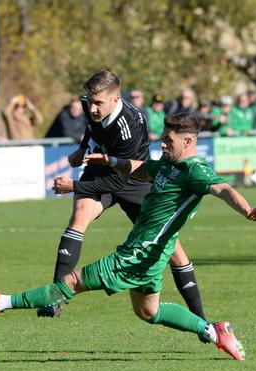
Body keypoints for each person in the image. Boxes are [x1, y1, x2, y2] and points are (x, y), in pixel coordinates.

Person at [0, 113, 256, 362]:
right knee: (149, 311)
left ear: (188, 141)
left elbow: (222, 189)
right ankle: (216, 332)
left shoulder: (194, 171)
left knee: (73, 283)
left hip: (141, 253)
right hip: (152, 253)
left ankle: (0, 303)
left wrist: (248, 210)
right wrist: (110, 161)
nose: (162, 143)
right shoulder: (168, 165)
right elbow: (142, 169)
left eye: (168, 140)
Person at [43, 70, 208, 326]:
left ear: (116, 99)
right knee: (79, 217)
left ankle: (202, 321)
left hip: (132, 176)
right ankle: (55, 297)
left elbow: (118, 181)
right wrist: (82, 148)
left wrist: (74, 185)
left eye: (98, 103)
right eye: (90, 100)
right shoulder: (92, 105)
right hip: (100, 166)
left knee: (172, 247)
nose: (92, 107)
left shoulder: (131, 124)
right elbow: (93, 127)